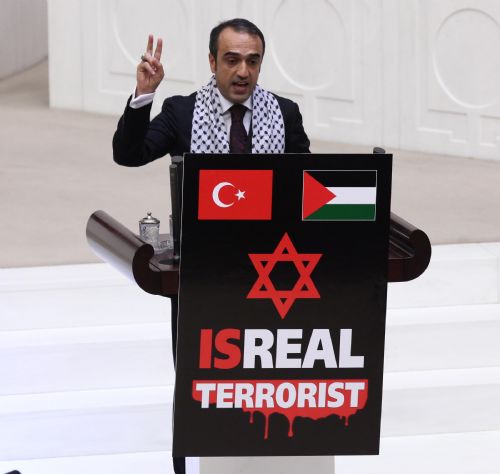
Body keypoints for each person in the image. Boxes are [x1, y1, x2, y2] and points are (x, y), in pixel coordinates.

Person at [112, 18, 310, 474]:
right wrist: (143, 95)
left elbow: (305, 187)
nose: (243, 71)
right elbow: (129, 153)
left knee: (263, 379)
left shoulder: (285, 113)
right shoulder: (182, 112)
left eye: (253, 61)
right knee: (197, 380)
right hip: (201, 273)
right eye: (232, 59)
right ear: (212, 61)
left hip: (270, 272)